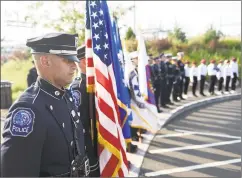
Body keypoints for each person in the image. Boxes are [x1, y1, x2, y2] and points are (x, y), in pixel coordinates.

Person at [1, 33, 90, 177]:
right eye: (68, 60)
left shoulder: (65, 95)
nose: (75, 65)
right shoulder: (29, 109)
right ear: (45, 61)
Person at [69, 45, 100, 176]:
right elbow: (79, 121)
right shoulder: (78, 86)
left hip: (99, 138)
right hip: (88, 141)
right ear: (83, 61)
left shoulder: (96, 82)